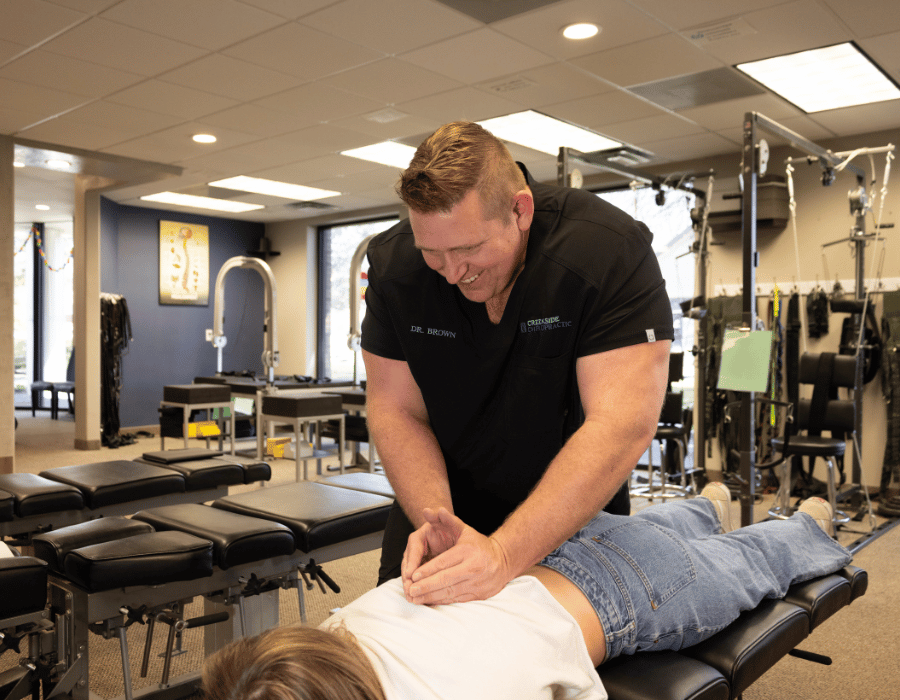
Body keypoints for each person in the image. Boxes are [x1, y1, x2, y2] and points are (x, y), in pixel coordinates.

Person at [361, 121, 675, 604]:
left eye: (468, 249)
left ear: (520, 210)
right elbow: (395, 408)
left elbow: (621, 423)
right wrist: (439, 523)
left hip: (571, 513)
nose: (452, 274)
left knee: (555, 665)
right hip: (440, 503)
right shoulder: (394, 266)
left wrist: (504, 555)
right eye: (433, 254)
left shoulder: (606, 250)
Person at [201, 486, 853, 700]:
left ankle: (810, 519)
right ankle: (703, 505)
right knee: (660, 529)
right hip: (533, 546)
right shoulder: (337, 631)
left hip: (633, 593)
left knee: (765, 557)